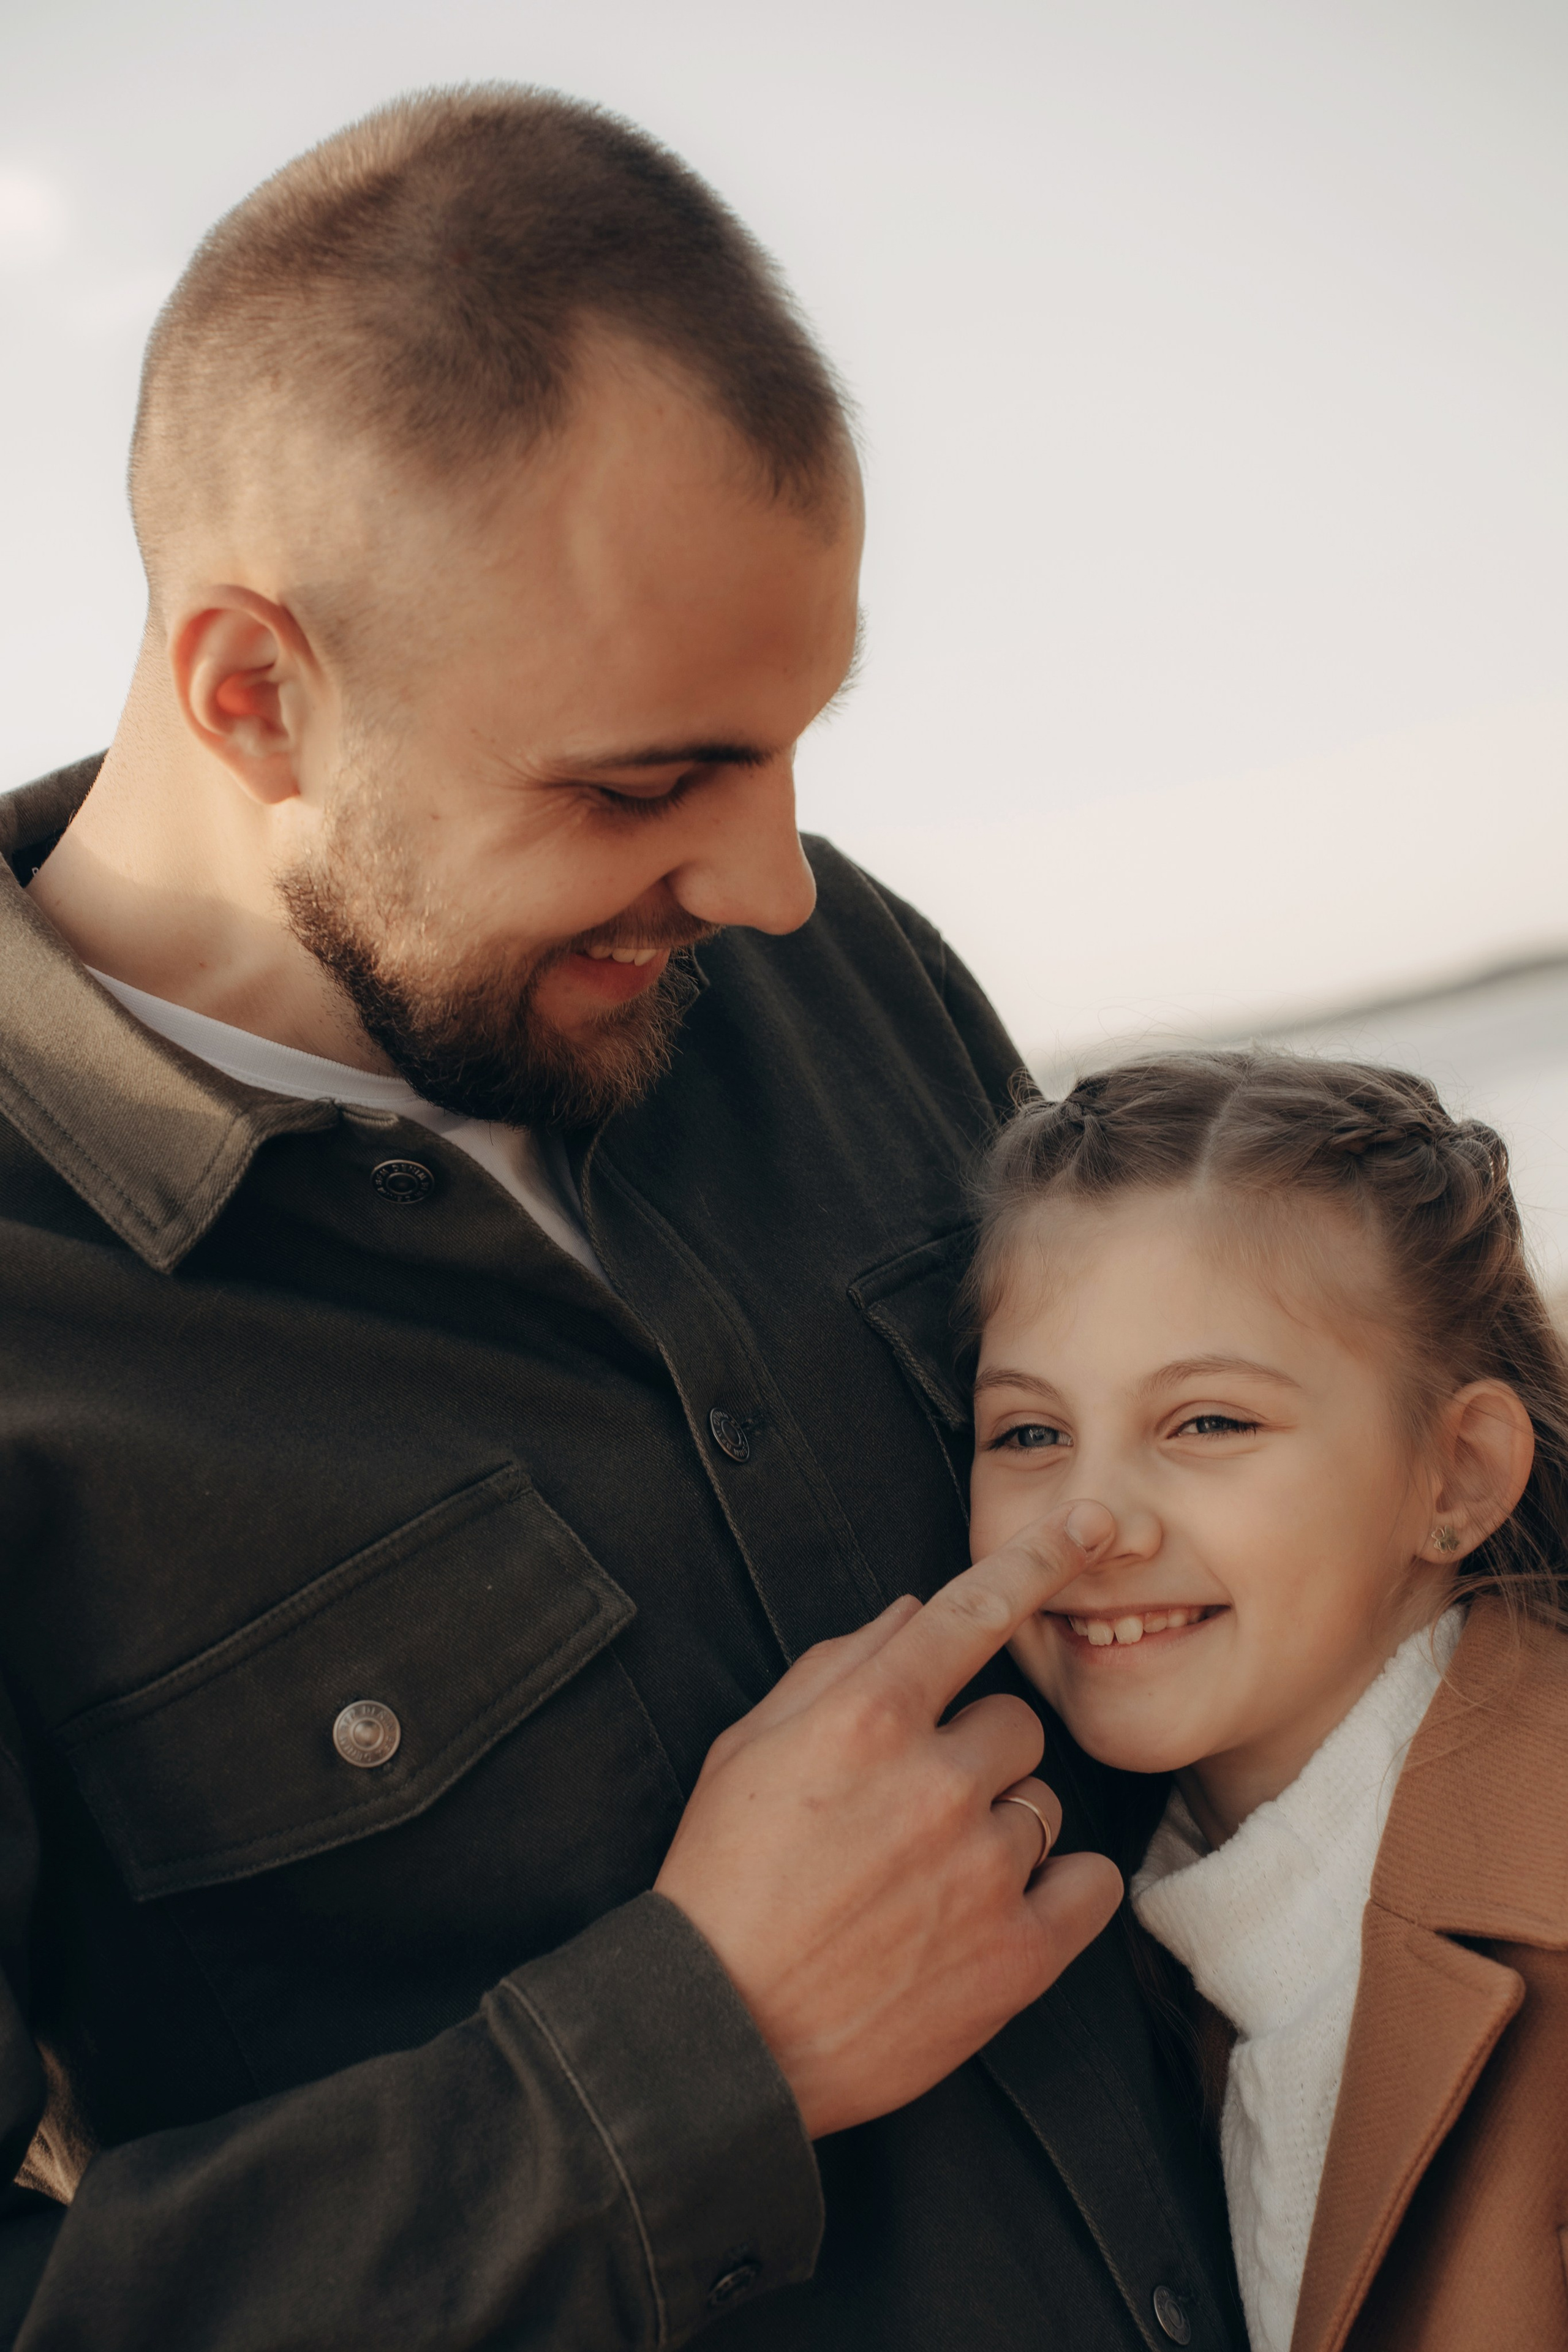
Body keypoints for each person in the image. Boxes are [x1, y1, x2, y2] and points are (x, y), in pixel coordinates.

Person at [0, 85, 1245, 2350]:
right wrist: (697, 2055)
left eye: (794, 746)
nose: (771, 881)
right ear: (254, 693)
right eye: (640, 786)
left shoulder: (808, 952)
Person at [967, 1046, 1568, 2352]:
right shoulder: (1162, 1936)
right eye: (1026, 1433)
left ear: (1455, 1476)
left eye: (1207, 1424)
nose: (1087, 1522)